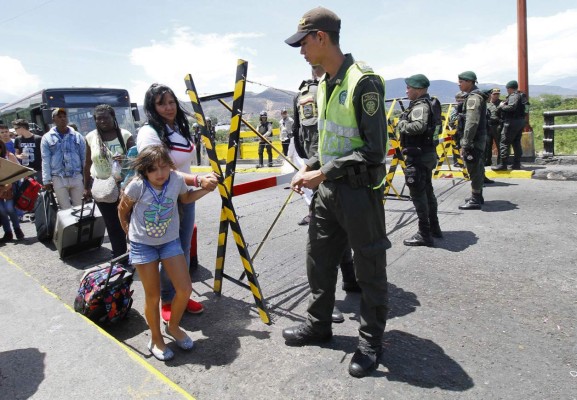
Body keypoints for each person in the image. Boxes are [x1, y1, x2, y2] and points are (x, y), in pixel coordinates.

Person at [284, 6, 390, 378]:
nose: (301, 52)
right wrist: (309, 165)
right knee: (319, 259)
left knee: (369, 267)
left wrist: (323, 171)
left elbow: (374, 150)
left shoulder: (364, 81)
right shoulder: (325, 82)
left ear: (321, 37)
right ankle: (319, 325)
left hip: (360, 193)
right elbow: (329, 140)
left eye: (303, 43)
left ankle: (369, 342)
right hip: (329, 191)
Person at [118, 144, 209, 361]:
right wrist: (128, 233)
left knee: (185, 289)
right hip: (143, 245)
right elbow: (123, 209)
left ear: (170, 166)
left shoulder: (176, 180)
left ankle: (173, 327)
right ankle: (156, 339)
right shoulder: (137, 186)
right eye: (152, 169)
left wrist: (206, 189)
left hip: (169, 241)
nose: (159, 174)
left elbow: (185, 199)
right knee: (153, 296)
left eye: (163, 167)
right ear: (144, 171)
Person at [137, 83, 218, 323]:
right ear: (152, 106)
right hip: (163, 202)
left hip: (185, 197)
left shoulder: (176, 127)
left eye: (171, 101)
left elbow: (182, 164)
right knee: (168, 252)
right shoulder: (149, 132)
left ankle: (181, 294)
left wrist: (195, 182)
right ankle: (168, 299)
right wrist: (197, 179)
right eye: (162, 103)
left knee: (181, 250)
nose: (169, 107)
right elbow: (157, 169)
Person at [84, 105, 135, 258]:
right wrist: (86, 187)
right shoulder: (90, 137)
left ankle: (138, 254)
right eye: (98, 118)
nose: (102, 121)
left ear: (113, 117)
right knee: (112, 225)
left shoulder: (125, 135)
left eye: (105, 117)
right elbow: (87, 163)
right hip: (102, 188)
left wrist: (124, 160)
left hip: (125, 187)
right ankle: (119, 256)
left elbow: (136, 159)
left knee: (130, 221)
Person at [397, 74, 442, 246]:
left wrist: (401, 124)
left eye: (409, 87)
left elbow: (418, 126)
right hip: (427, 153)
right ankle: (434, 228)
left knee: (418, 195)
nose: (406, 90)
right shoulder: (429, 104)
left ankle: (424, 233)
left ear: (418, 89)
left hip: (419, 156)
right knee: (428, 192)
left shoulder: (420, 106)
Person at [41, 108, 86, 210]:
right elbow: (45, 159)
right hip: (58, 177)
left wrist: (87, 177)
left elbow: (84, 158)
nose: (63, 119)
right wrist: (46, 180)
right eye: (59, 117)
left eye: (64, 116)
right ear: (54, 119)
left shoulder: (77, 136)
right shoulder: (47, 138)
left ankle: (81, 226)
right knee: (65, 208)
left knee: (80, 208)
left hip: (76, 176)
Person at [456, 71, 488, 210]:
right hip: (478, 138)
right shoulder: (474, 96)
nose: (459, 84)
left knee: (473, 167)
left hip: (474, 139)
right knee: (477, 167)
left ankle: (475, 199)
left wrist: (466, 142)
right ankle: (477, 195)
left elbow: (472, 122)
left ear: (470, 82)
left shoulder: (473, 98)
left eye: (461, 81)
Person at [492, 80, 526, 171]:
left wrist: (502, 106)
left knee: (504, 142)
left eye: (507, 89)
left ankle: (503, 165)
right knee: (516, 142)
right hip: (520, 121)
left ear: (509, 88)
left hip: (512, 122)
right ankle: (516, 164)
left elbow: (512, 107)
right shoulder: (521, 95)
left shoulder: (514, 96)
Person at [0, 140, 25, 242]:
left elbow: (18, 173)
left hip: (10, 187)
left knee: (10, 208)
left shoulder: (9, 156)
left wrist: (7, 186)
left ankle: (17, 228)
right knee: (1, 210)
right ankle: (8, 232)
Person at [12, 119, 43, 184]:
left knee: (42, 190)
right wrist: (19, 156)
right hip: (26, 170)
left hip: (39, 169)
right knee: (29, 191)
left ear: (22, 127)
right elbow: (16, 153)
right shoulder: (18, 139)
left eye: (16, 128)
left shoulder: (38, 138)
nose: (15, 131)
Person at [485, 88, 502, 167]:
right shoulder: (487, 103)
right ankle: (487, 161)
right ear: (491, 95)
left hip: (497, 125)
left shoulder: (501, 103)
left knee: (499, 144)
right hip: (488, 125)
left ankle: (500, 161)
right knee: (488, 144)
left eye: (498, 94)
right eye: (494, 94)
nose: (496, 95)